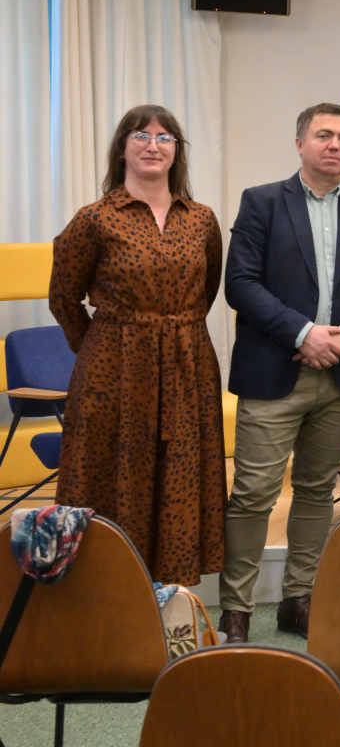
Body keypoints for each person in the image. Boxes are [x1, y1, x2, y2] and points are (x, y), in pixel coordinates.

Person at [219, 103, 340, 643]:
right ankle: (236, 608)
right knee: (253, 493)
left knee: (318, 491)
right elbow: (241, 284)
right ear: (300, 144)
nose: (334, 145)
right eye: (323, 135)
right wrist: (303, 333)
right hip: (274, 373)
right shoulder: (263, 202)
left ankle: (298, 598)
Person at [49, 105, 226, 586]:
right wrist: (101, 347)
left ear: (177, 152)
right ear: (122, 148)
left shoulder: (201, 219)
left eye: (165, 137)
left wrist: (172, 333)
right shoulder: (94, 219)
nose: (153, 145)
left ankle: (171, 594)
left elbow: (206, 291)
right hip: (113, 369)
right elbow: (63, 298)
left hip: (187, 364)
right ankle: (108, 588)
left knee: (180, 471)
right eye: (141, 135)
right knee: (111, 474)